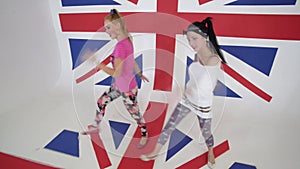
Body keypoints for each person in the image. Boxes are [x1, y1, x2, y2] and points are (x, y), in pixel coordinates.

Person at [140, 17, 226, 168]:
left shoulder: (214, 60)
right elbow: (194, 78)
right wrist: (185, 91)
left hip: (202, 104)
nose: (192, 44)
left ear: (204, 37)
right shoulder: (196, 55)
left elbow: (204, 83)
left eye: (194, 39)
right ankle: (155, 151)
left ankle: (211, 150)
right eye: (189, 40)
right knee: (170, 125)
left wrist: (184, 89)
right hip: (187, 99)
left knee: (206, 133)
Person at [82, 9, 149, 148]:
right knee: (102, 101)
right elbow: (132, 60)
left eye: (108, 27)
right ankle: (96, 126)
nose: (106, 31)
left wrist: (97, 63)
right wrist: (139, 73)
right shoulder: (128, 40)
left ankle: (144, 133)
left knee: (135, 114)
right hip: (119, 86)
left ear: (117, 25)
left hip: (128, 90)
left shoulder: (120, 47)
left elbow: (116, 73)